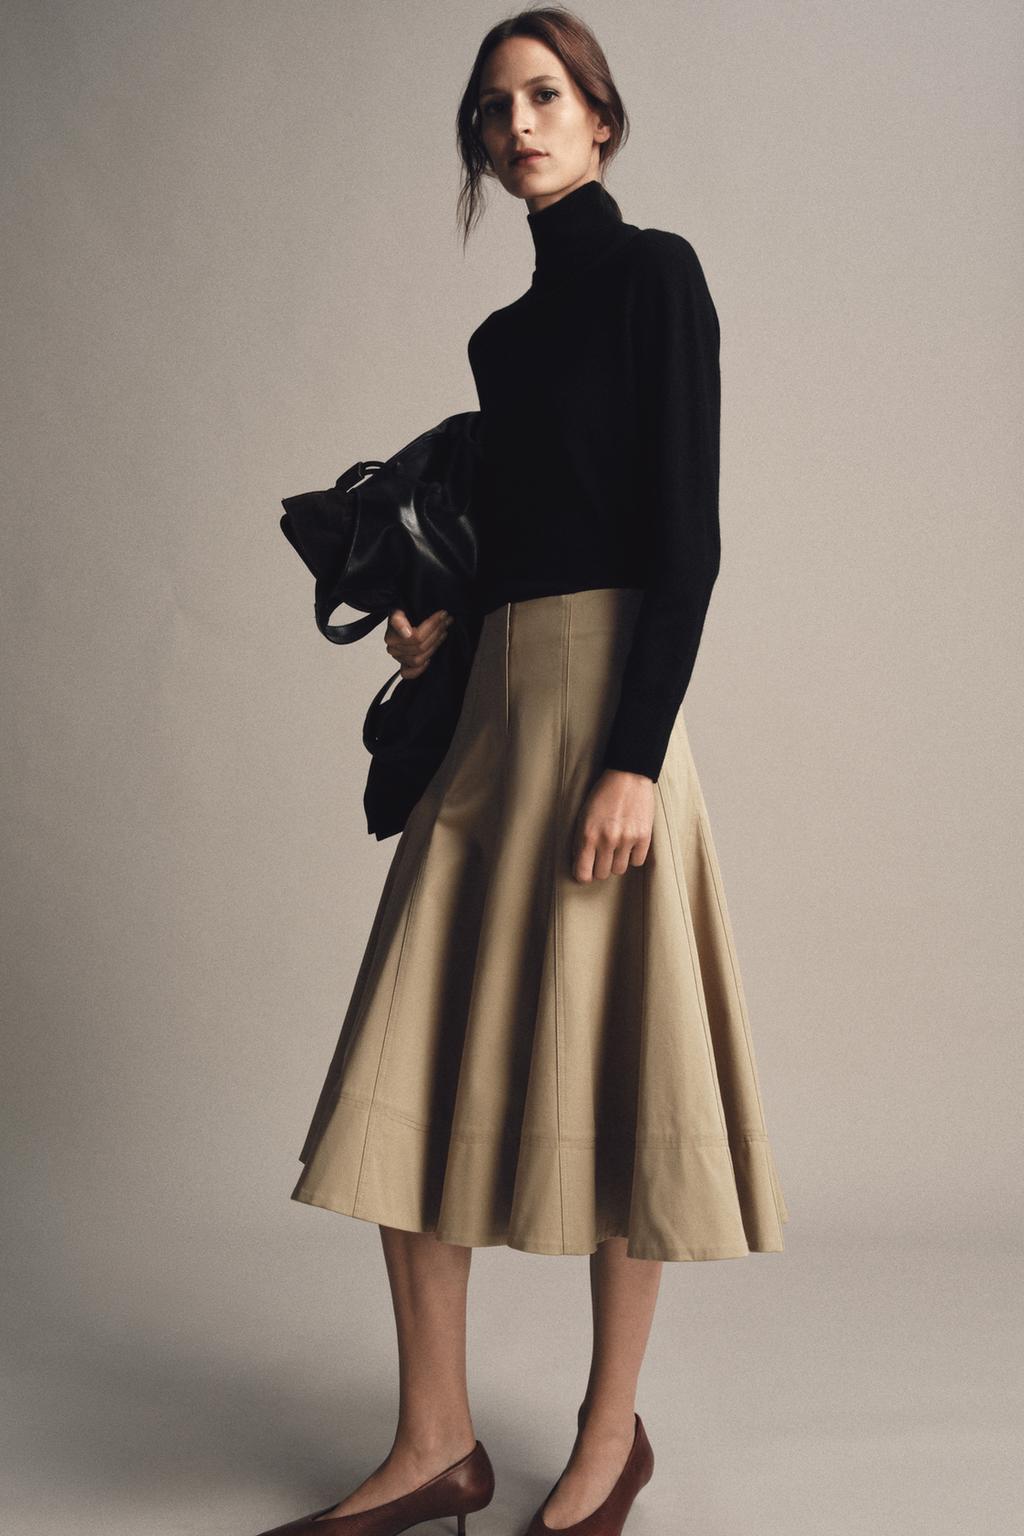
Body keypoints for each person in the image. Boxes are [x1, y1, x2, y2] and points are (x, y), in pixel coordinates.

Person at [260, 8, 788, 1535]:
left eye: (545, 95)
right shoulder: (501, 342)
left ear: (600, 117)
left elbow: (684, 546)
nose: (519, 124)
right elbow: (526, 539)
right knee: (406, 1080)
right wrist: (445, 632)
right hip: (495, 712)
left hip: (614, 711)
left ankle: (609, 1438)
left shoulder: (658, 279)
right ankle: (436, 1441)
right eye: (495, 107)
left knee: (627, 1082)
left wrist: (634, 760)